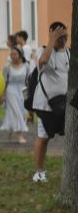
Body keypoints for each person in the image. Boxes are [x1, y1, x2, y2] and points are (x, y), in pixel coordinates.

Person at [33, 21, 70, 183]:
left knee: (71, 134)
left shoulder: (68, 53)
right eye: (59, 37)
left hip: (64, 103)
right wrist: (51, 40)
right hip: (45, 104)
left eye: (65, 36)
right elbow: (43, 62)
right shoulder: (43, 51)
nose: (63, 40)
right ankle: (39, 172)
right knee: (44, 138)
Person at [0, 46, 30, 143]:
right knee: (16, 112)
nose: (13, 56)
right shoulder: (7, 67)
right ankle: (20, 135)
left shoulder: (26, 66)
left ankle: (10, 129)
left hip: (22, 92)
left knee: (22, 113)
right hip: (11, 91)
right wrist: (2, 95)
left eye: (15, 54)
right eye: (11, 54)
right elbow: (4, 82)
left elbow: (28, 81)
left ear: (20, 55)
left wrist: (29, 95)